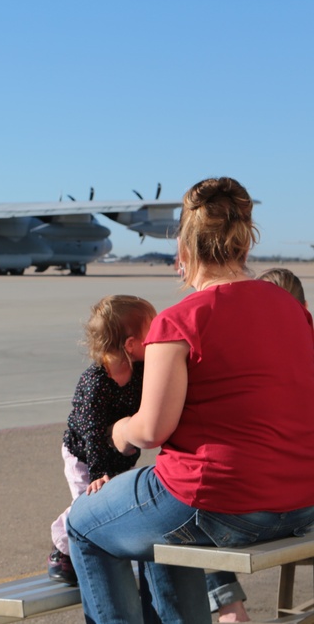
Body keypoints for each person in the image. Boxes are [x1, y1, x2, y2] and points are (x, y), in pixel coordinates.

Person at [66, 177, 314, 623]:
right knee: (160, 529)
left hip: (223, 502)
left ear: (185, 251)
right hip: (301, 499)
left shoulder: (179, 320)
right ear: (243, 246)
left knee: (85, 523)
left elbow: (151, 430)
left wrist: (116, 430)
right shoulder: (291, 308)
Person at [47, 295, 156, 586]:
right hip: (83, 455)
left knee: (109, 505)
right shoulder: (95, 382)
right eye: (152, 331)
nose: (158, 336)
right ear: (131, 345)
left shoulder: (141, 371)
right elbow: (91, 431)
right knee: (86, 504)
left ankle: (100, 549)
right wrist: (97, 472)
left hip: (118, 455)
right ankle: (60, 549)